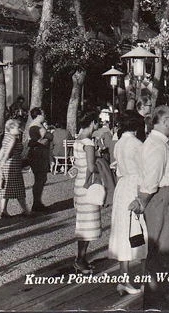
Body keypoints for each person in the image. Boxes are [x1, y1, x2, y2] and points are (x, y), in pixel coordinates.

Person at [129, 106, 169, 310]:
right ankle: (155, 303)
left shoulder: (160, 143)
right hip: (165, 199)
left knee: (164, 254)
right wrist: (142, 201)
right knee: (163, 253)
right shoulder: (156, 145)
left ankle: (158, 299)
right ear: (163, 121)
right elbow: (151, 181)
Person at [107, 111, 146, 296]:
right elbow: (145, 170)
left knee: (124, 231)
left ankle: (124, 277)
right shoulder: (137, 144)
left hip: (122, 187)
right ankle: (145, 278)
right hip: (134, 186)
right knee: (140, 230)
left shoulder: (119, 143)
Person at [73, 112, 100, 274]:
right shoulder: (88, 143)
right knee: (89, 225)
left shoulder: (78, 140)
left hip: (79, 184)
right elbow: (91, 167)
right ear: (92, 123)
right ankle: (80, 259)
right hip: (87, 184)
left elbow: (78, 164)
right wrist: (103, 165)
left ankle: (81, 258)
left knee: (82, 224)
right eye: (97, 123)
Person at [0, 119, 30, 218]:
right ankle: (26, 210)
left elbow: (2, 151)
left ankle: (3, 210)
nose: (20, 130)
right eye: (18, 128)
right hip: (13, 165)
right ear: (11, 128)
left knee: (6, 188)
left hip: (6, 165)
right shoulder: (13, 139)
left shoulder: (6, 137)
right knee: (18, 188)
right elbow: (7, 153)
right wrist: (3, 162)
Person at [26, 108, 53, 212]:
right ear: (38, 115)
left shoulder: (36, 125)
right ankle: (36, 203)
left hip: (39, 154)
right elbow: (47, 138)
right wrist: (48, 134)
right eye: (43, 114)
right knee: (39, 179)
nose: (44, 116)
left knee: (41, 179)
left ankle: (38, 202)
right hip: (38, 155)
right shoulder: (36, 126)